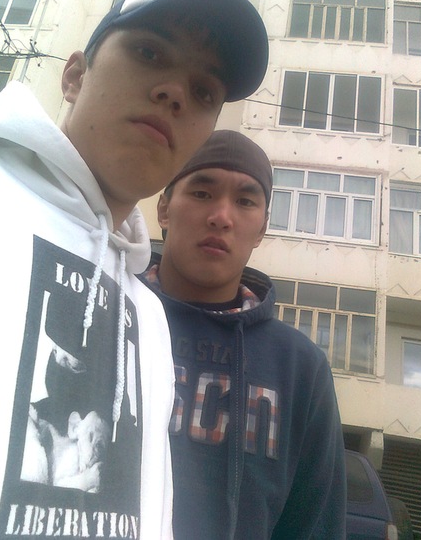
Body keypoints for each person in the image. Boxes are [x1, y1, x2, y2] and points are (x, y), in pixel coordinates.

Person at [0, 0, 268, 540]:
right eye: (149, 52)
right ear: (74, 76)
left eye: (204, 91)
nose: (175, 93)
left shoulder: (148, 314)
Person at [140, 130, 347, 539]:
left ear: (262, 229)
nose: (221, 216)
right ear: (164, 209)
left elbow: (314, 526)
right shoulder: (110, 313)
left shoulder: (300, 367)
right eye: (202, 193)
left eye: (245, 201)